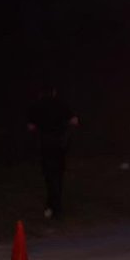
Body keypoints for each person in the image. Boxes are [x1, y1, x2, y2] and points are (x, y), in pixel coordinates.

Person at [26, 86, 79, 221]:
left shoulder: (37, 106)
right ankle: (56, 205)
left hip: (45, 144)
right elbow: (74, 121)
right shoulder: (61, 104)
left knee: (49, 174)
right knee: (58, 173)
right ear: (54, 92)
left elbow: (31, 126)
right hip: (60, 144)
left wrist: (38, 134)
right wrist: (67, 135)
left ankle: (52, 205)